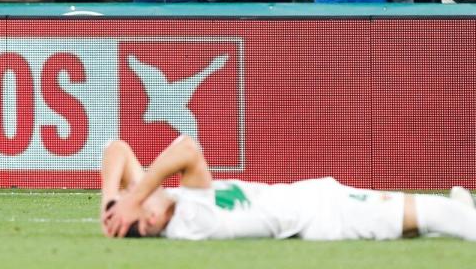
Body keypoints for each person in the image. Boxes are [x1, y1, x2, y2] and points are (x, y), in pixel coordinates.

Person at [99, 136, 476, 241]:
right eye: (145, 218)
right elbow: (187, 148)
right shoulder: (190, 218)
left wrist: (112, 201)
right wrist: (132, 198)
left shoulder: (167, 201)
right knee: (436, 218)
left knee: (421, 220)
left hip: (310, 198)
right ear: (152, 222)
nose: (146, 211)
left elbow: (116, 149)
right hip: (324, 215)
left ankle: (460, 207)